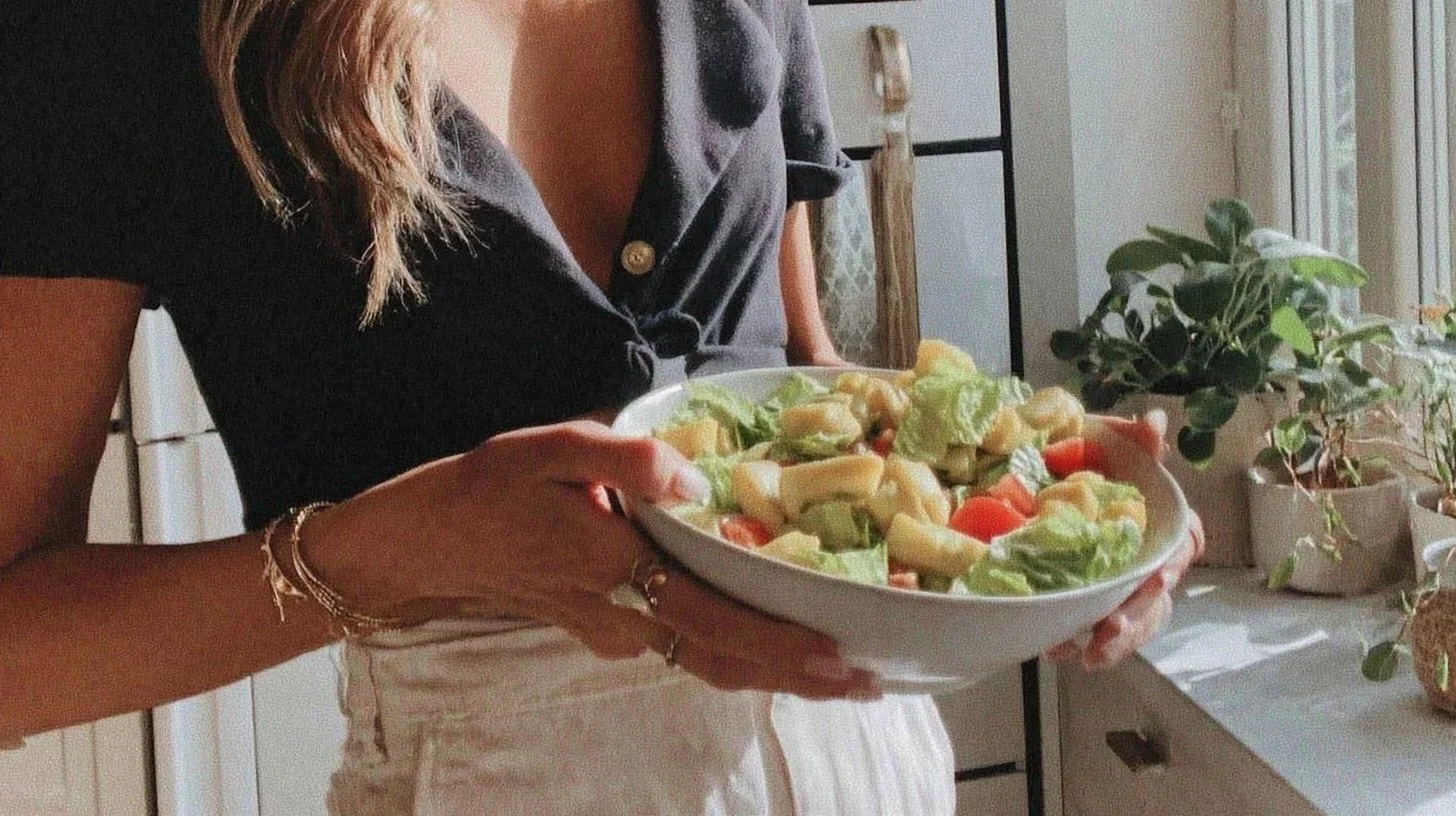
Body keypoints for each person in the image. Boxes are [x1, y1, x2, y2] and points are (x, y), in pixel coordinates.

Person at [0, 0, 1201, 813]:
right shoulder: (124, 32)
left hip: (862, 774)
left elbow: (799, 398)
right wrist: (395, 546)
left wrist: (1051, 494)